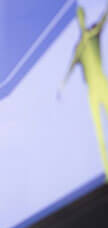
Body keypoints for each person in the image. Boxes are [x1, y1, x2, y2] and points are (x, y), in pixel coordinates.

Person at [61, 4, 108, 177]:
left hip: (102, 83)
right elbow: (70, 67)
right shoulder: (78, 47)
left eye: (82, 15)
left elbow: (104, 17)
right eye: (78, 16)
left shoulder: (94, 31)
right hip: (92, 91)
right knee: (99, 132)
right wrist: (62, 86)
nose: (81, 18)